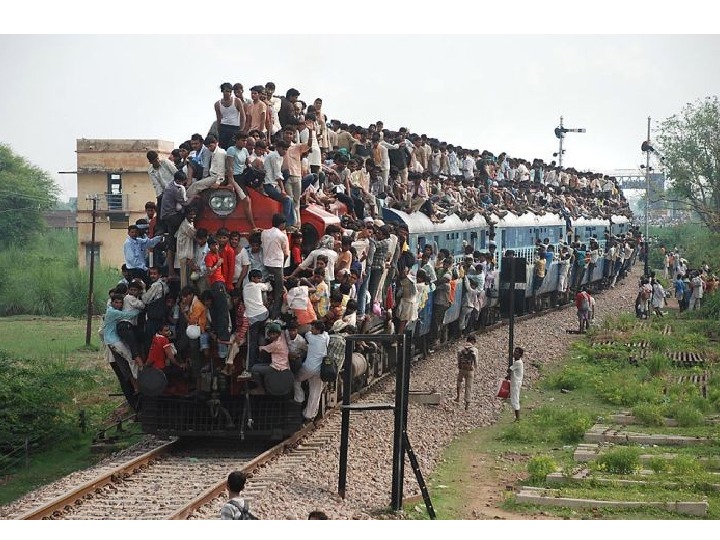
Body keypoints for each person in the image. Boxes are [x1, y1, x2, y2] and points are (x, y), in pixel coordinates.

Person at [455, 335, 478, 410]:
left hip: (462, 369)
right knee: (468, 386)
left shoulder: (460, 348)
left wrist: (460, 366)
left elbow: (458, 359)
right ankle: (467, 404)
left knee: (459, 381)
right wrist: (474, 367)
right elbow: (476, 363)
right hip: (470, 370)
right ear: (472, 341)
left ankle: (458, 397)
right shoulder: (474, 350)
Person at [506, 346, 524, 422]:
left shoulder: (518, 362)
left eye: (517, 352)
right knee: (514, 399)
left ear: (520, 355)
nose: (514, 353)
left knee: (515, 400)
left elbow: (509, 370)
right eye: (515, 351)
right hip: (515, 383)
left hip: (516, 384)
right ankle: (517, 418)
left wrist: (509, 368)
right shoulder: (517, 362)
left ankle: (518, 418)